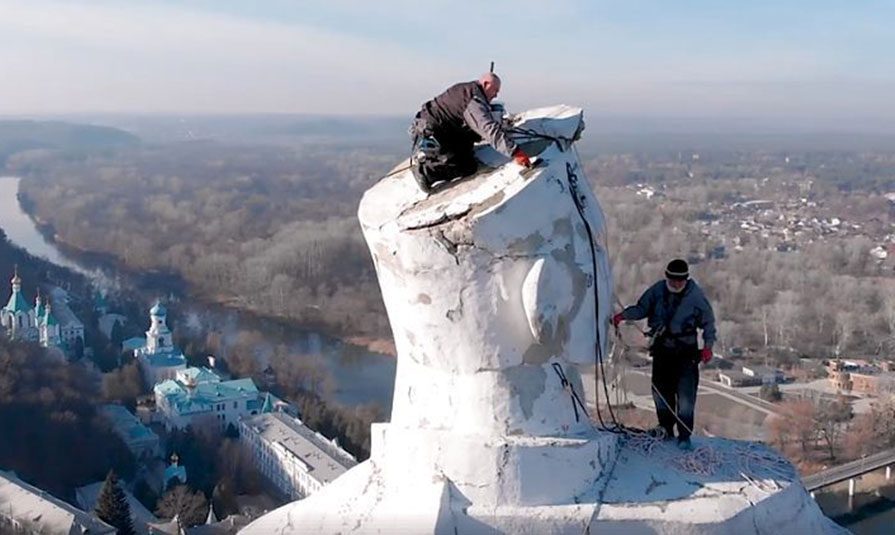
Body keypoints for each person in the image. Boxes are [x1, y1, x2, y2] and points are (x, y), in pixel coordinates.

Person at [612, 259, 716, 451]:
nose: (676, 284)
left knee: (685, 396)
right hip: (662, 351)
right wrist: (623, 316)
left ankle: (684, 435)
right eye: (672, 279)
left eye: (680, 281)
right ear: (667, 277)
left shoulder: (695, 297)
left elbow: (708, 323)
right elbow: (642, 308)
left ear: (686, 279)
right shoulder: (657, 291)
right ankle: (666, 429)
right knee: (661, 392)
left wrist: (708, 346)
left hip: (686, 353)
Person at [409, 72, 531, 193]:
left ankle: (449, 154)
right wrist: (516, 152)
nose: (496, 95)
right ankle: (426, 172)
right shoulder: (473, 100)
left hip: (440, 127)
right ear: (486, 84)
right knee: (467, 166)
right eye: (495, 90)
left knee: (470, 140)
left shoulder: (468, 89)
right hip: (432, 132)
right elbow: (487, 128)